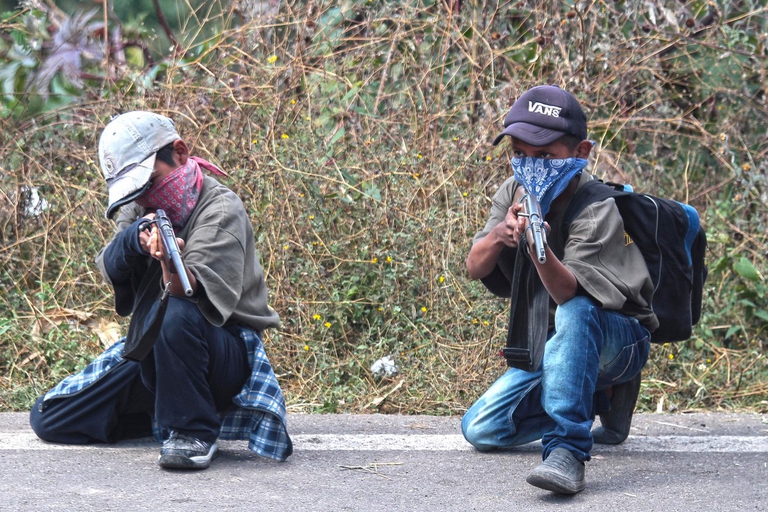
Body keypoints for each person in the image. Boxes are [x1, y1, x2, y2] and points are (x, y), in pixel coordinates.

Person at [30, 111, 292, 470]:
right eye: (137, 189)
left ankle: (194, 431)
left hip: (221, 353)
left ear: (181, 154)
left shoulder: (220, 208)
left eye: (151, 181)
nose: (147, 194)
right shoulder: (140, 206)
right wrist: (134, 240)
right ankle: (167, 414)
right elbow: (108, 265)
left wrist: (169, 260)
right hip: (154, 346)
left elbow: (187, 293)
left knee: (175, 312)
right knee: (52, 418)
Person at [462, 85, 657, 494]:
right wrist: (501, 234)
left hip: (620, 339)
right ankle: (598, 398)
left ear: (580, 152)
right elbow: (473, 266)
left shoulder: (595, 205)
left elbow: (571, 297)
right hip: (557, 345)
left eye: (546, 156)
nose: (530, 165)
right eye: (520, 154)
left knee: (575, 313)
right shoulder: (513, 191)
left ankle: (567, 450)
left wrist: (538, 249)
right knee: (480, 428)